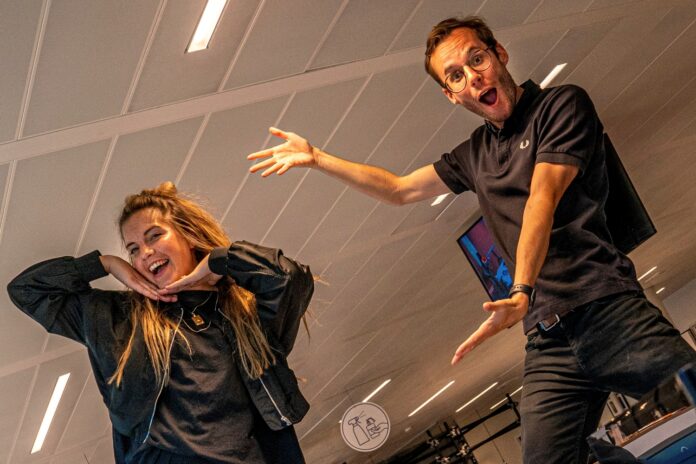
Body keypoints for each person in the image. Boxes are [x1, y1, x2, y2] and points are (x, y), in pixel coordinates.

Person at [246, 16, 696, 464]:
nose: (472, 76)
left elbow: (541, 198)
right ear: (451, 94)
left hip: (605, 306)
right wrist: (318, 158)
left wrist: (520, 290)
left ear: (499, 54)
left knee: (689, 388)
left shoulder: (560, 105)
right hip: (548, 338)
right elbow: (399, 189)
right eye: (456, 75)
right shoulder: (474, 153)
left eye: (476, 59)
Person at [8, 182, 313, 464]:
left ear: (189, 236)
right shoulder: (118, 318)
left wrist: (220, 260)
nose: (145, 253)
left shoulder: (243, 316)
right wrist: (106, 264)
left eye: (154, 236)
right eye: (133, 249)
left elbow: (289, 278)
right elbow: (27, 290)